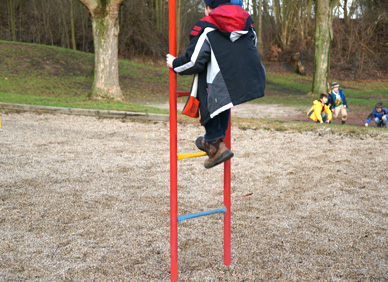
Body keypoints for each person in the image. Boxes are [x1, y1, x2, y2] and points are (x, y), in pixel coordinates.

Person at [166, 0, 266, 169]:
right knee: (224, 99)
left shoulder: (206, 26)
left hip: (222, 80)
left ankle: (215, 143)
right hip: (251, 76)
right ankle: (217, 139)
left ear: (209, 8)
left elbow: (194, 61)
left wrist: (175, 64)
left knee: (207, 88)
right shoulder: (246, 21)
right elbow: (251, 44)